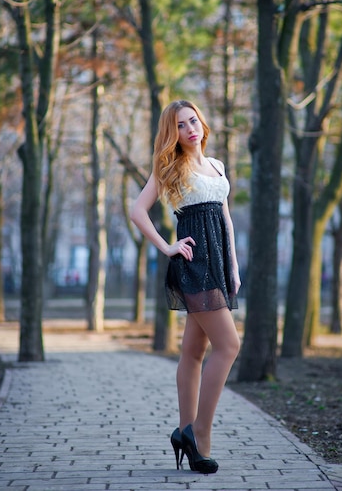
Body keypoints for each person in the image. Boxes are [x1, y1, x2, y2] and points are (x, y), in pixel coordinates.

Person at [130, 99, 241, 474]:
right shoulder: (170, 167)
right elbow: (136, 210)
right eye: (180, 125)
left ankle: (183, 431)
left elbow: (225, 219)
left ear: (201, 122)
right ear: (172, 132)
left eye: (193, 120)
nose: (190, 128)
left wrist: (234, 267)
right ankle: (200, 435)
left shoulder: (217, 165)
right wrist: (167, 247)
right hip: (194, 266)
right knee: (229, 345)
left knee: (195, 351)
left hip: (219, 265)